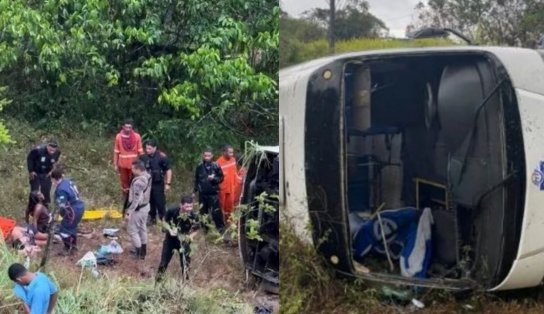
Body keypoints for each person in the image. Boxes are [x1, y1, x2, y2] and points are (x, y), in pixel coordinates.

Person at [156, 195, 199, 282]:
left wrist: (190, 237)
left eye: (191, 206)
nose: (189, 209)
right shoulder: (172, 211)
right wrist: (170, 230)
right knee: (163, 263)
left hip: (184, 241)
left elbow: (197, 229)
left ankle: (185, 284)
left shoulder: (193, 216)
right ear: (181, 205)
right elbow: (164, 222)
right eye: (187, 206)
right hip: (170, 240)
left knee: (185, 264)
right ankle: (158, 282)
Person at [51, 168, 85, 255]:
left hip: (72, 211)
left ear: (54, 179)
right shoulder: (68, 181)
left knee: (64, 229)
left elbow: (61, 204)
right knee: (72, 227)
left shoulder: (61, 190)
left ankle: (68, 249)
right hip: (80, 206)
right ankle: (73, 247)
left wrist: (53, 215)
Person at [139, 139, 172, 225]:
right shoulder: (143, 157)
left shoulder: (161, 157)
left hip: (158, 184)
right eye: (146, 148)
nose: (147, 150)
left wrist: (168, 183)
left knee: (160, 203)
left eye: (150, 148)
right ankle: (151, 219)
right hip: (147, 184)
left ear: (155, 148)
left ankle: (164, 221)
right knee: (149, 202)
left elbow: (168, 170)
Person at [125, 160, 152, 260]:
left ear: (138, 169)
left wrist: (129, 212)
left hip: (138, 209)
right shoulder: (148, 176)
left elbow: (136, 199)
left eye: (132, 168)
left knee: (132, 230)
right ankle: (143, 252)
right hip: (146, 206)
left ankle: (138, 252)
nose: (131, 170)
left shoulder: (138, 182)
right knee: (142, 228)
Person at [193, 147, 224, 232]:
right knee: (203, 212)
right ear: (203, 155)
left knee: (216, 212)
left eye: (209, 155)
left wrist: (214, 179)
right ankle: (205, 229)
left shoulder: (216, 166)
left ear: (212, 156)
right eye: (205, 155)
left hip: (213, 193)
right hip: (202, 193)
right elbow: (196, 179)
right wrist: (194, 191)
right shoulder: (199, 166)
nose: (207, 157)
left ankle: (220, 229)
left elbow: (221, 178)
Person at [113, 119, 143, 200]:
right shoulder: (118, 137)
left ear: (132, 127)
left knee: (134, 181)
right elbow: (116, 151)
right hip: (122, 164)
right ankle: (125, 199)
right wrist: (115, 164)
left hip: (134, 165)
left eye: (130, 127)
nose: (128, 129)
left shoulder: (137, 136)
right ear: (123, 127)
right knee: (124, 182)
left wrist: (143, 164)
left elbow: (140, 151)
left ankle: (134, 198)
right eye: (126, 127)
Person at [26, 140, 61, 207]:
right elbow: (30, 159)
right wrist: (31, 171)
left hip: (47, 173)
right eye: (50, 149)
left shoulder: (57, 152)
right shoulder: (38, 150)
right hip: (36, 172)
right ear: (47, 146)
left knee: (46, 190)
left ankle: (45, 207)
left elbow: (55, 162)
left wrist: (52, 171)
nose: (52, 151)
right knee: (35, 191)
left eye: (53, 150)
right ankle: (32, 207)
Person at [216, 145, 237, 224]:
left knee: (230, 206)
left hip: (231, 188)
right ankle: (221, 223)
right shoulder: (218, 163)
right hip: (222, 189)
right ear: (224, 152)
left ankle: (230, 222)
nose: (231, 154)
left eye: (232, 152)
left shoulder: (233, 160)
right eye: (230, 152)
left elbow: (235, 173)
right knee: (221, 206)